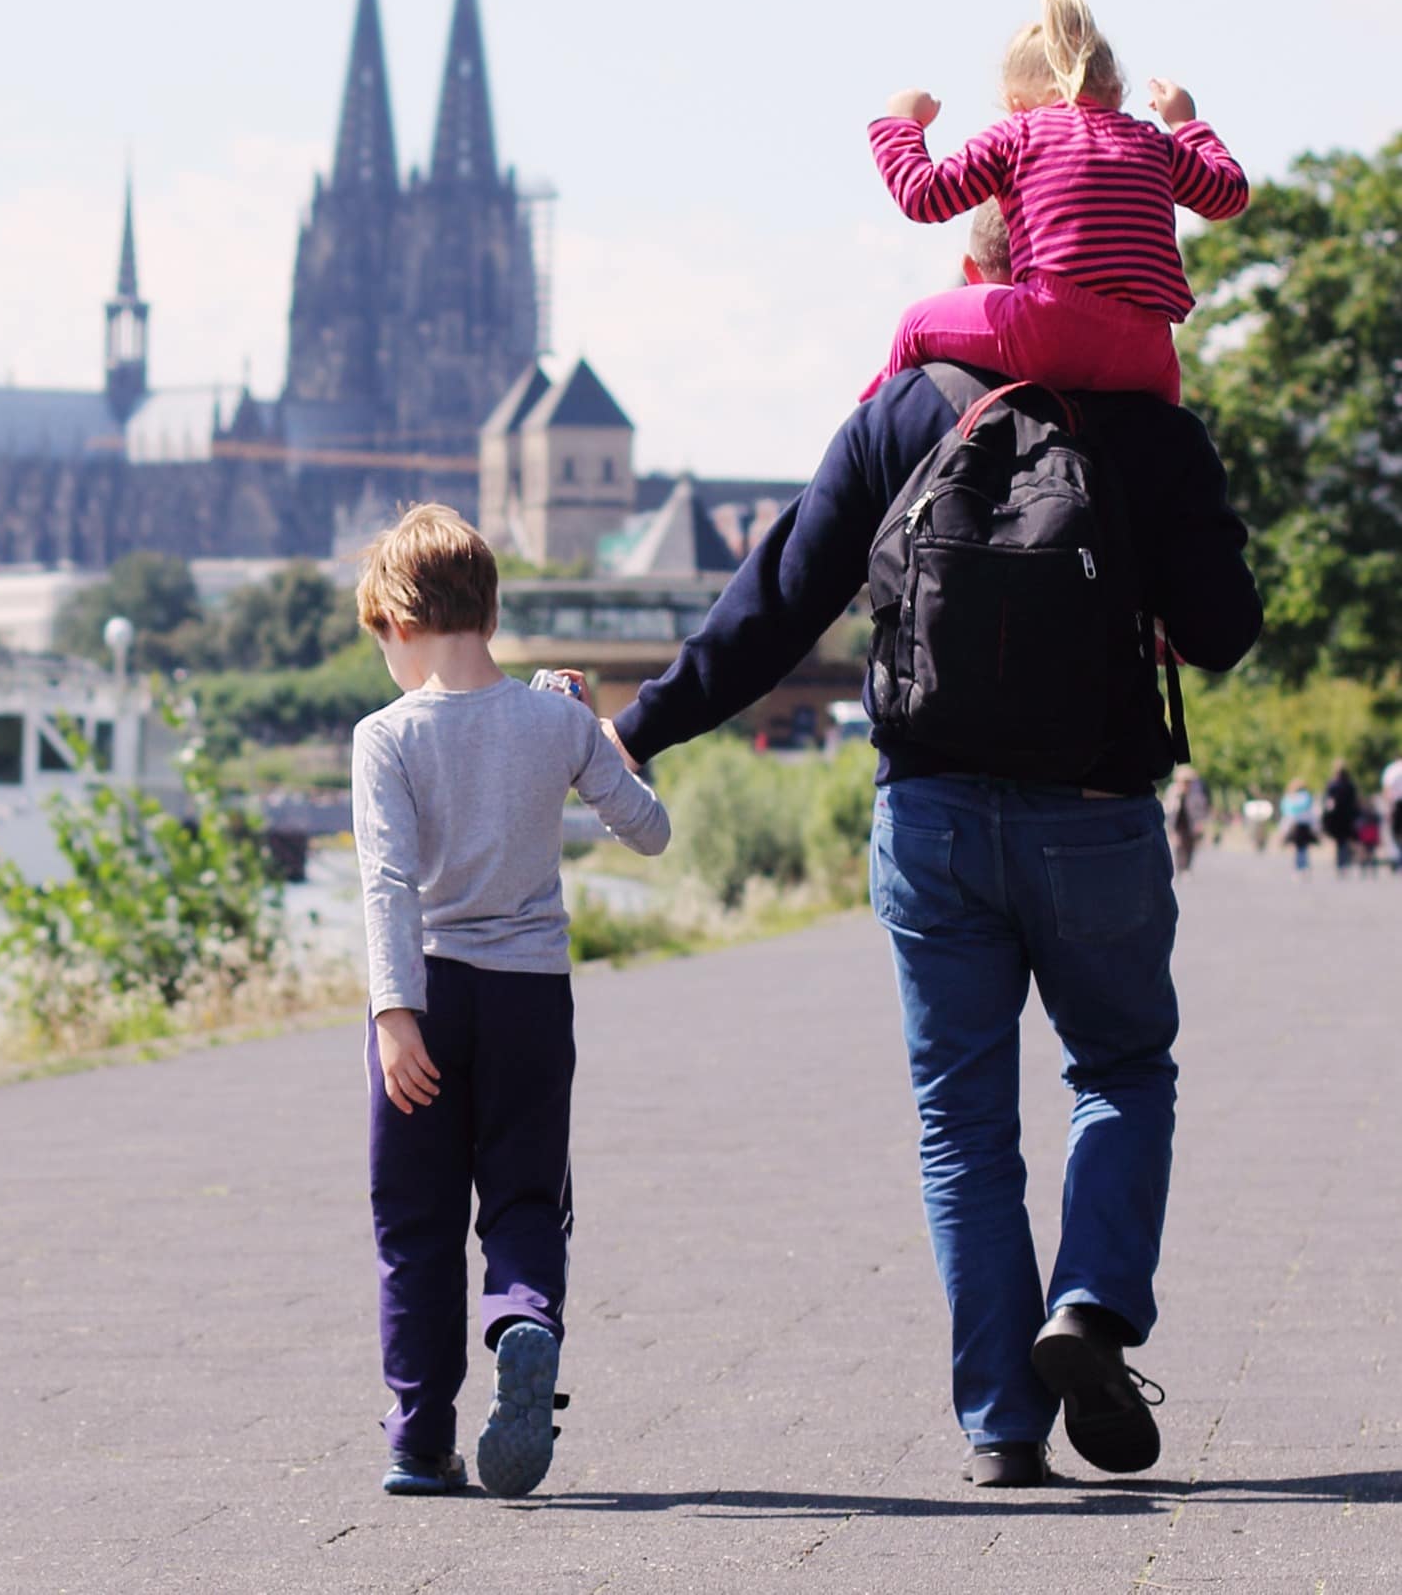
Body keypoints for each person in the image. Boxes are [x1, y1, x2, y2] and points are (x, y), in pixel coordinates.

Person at [608, 212, 1260, 1488]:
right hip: (1096, 812)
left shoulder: (906, 409)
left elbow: (778, 603)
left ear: (969, 278)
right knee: (1122, 1067)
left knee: (963, 1127)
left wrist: (642, 727)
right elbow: (1225, 628)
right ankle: (1092, 1308)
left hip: (934, 817)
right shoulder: (1149, 425)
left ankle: (1001, 1427)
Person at [350, 503, 669, 1500]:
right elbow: (648, 830)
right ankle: (524, 1314)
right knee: (526, 1195)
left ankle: (419, 1440)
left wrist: (393, 1014)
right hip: (532, 996)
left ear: (401, 622)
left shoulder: (386, 737)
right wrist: (582, 727)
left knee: (418, 1219)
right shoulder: (555, 720)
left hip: (429, 996)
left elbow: (388, 884)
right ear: (488, 610)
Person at [866, 0, 1248, 405]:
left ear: (1015, 102)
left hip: (1047, 332)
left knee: (913, 324)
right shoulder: (1155, 144)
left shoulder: (1020, 133)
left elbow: (924, 197)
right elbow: (1229, 195)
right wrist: (1185, 124)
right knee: (1175, 441)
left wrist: (902, 124)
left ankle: (875, 425)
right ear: (1117, 92)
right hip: (1146, 352)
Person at [1165, 768, 1209, 876]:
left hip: (1190, 823)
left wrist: (1200, 822)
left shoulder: (1195, 793)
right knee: (1179, 845)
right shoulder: (1173, 791)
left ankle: (1187, 867)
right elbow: (1169, 809)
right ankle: (1181, 867)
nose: (1185, 784)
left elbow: (1200, 808)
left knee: (1190, 845)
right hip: (1177, 823)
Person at [1321, 761, 1361, 872]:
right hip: (1346, 816)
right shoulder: (1350, 784)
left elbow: (1329, 802)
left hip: (1337, 816)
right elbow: (1355, 801)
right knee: (1344, 840)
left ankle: (1341, 862)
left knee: (1340, 840)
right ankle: (1343, 862)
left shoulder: (1333, 785)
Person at [1280, 780, 1316, 870]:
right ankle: (1303, 864)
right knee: (1303, 846)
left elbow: (1285, 809)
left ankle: (1300, 865)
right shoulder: (1306, 795)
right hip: (1303, 823)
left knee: (1297, 846)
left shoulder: (1289, 797)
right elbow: (1307, 807)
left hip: (1294, 823)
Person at [1382, 754, 1402, 867]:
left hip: (1396, 804)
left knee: (1395, 833)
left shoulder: (1391, 770)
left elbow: (1387, 790)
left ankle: (1398, 856)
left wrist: (1388, 807)